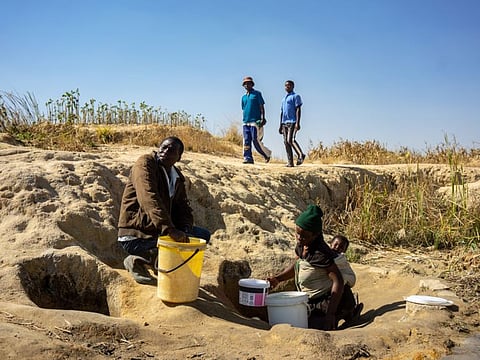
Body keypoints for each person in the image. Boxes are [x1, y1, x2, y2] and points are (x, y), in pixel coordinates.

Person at [117, 136, 211, 284]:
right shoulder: (145, 164)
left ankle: (160, 263)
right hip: (137, 235)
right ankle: (138, 260)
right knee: (175, 245)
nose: (165, 151)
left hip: (157, 233)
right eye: (163, 147)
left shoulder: (176, 176)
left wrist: (185, 228)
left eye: (171, 150)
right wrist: (169, 229)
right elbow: (148, 197)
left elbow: (183, 207)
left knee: (202, 236)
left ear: (178, 157)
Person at [267, 205, 344, 330]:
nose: (299, 238)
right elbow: (298, 265)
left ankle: (346, 312)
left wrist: (330, 314)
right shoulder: (302, 245)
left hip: (324, 302)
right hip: (309, 300)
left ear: (315, 235)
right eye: (297, 233)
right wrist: (278, 279)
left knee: (311, 328)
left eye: (303, 236)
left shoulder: (320, 254)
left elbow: (338, 281)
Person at [330, 235, 364, 326]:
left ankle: (350, 311)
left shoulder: (342, 261)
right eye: (335, 244)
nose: (337, 248)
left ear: (344, 251)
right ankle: (349, 312)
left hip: (340, 292)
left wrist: (342, 279)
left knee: (343, 286)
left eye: (341, 247)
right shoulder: (323, 257)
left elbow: (350, 278)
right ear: (330, 244)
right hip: (328, 292)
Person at [241, 76, 272, 164]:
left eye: (249, 83)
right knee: (246, 140)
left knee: (255, 140)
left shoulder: (257, 94)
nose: (247, 85)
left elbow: (261, 106)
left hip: (255, 121)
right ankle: (248, 157)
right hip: (245, 121)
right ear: (243, 85)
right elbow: (244, 108)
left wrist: (263, 118)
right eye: (245, 84)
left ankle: (267, 154)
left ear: (252, 84)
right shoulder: (243, 97)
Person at [279, 80, 306, 167]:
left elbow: (298, 109)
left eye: (289, 86)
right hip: (284, 123)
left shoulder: (296, 96)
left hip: (292, 121)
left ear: (293, 86)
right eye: (286, 86)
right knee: (286, 142)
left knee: (290, 140)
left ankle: (301, 155)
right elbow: (282, 112)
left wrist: (298, 123)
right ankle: (290, 162)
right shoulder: (283, 99)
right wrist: (280, 125)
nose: (287, 87)